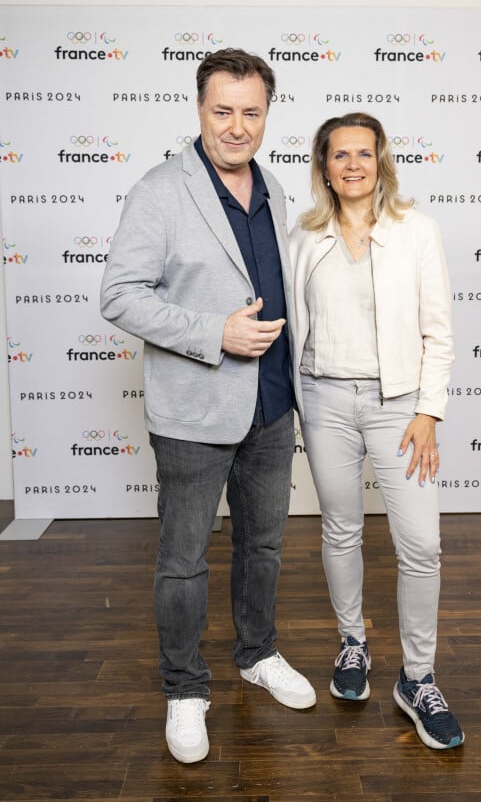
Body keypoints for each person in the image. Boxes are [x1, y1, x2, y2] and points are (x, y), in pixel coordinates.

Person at [101, 48, 316, 765]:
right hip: (196, 409)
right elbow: (120, 294)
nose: (236, 126)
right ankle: (185, 688)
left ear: (266, 115)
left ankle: (257, 654)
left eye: (251, 112)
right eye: (222, 111)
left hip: (273, 406)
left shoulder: (277, 187)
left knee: (263, 545)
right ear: (200, 110)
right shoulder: (160, 190)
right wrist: (212, 334)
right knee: (184, 559)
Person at [290, 111, 464, 750]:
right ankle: (352, 646)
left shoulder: (417, 232)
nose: (353, 165)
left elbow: (438, 330)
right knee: (340, 528)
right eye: (341, 155)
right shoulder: (303, 237)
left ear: (380, 161)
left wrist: (428, 411)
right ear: (325, 168)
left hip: (400, 408)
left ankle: (417, 678)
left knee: (420, 544)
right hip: (324, 399)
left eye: (364, 153)